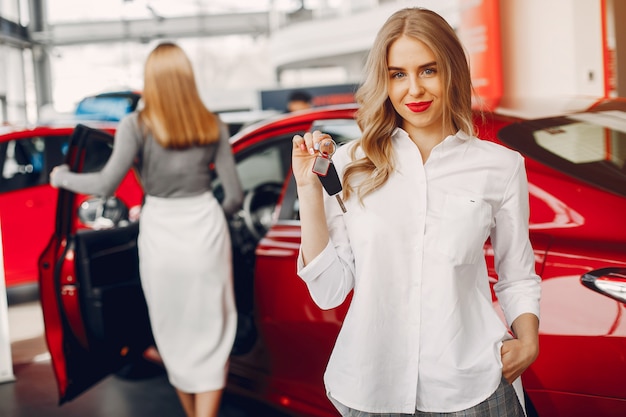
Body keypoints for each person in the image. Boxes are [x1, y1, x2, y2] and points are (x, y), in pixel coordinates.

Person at [291, 7, 540, 417]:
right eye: (397, 74)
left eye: (428, 70)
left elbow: (517, 274)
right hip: (372, 388)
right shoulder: (349, 162)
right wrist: (307, 190)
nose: (414, 90)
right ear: (383, 80)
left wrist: (528, 341)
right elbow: (329, 290)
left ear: (452, 71)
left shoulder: (500, 166)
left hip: (471, 385)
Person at [50, 42, 244, 417]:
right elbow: (234, 196)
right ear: (187, 77)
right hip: (205, 229)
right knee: (213, 328)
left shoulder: (135, 126)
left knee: (172, 328)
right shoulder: (212, 124)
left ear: (150, 80)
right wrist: (209, 214)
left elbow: (105, 183)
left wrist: (62, 177)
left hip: (162, 233)